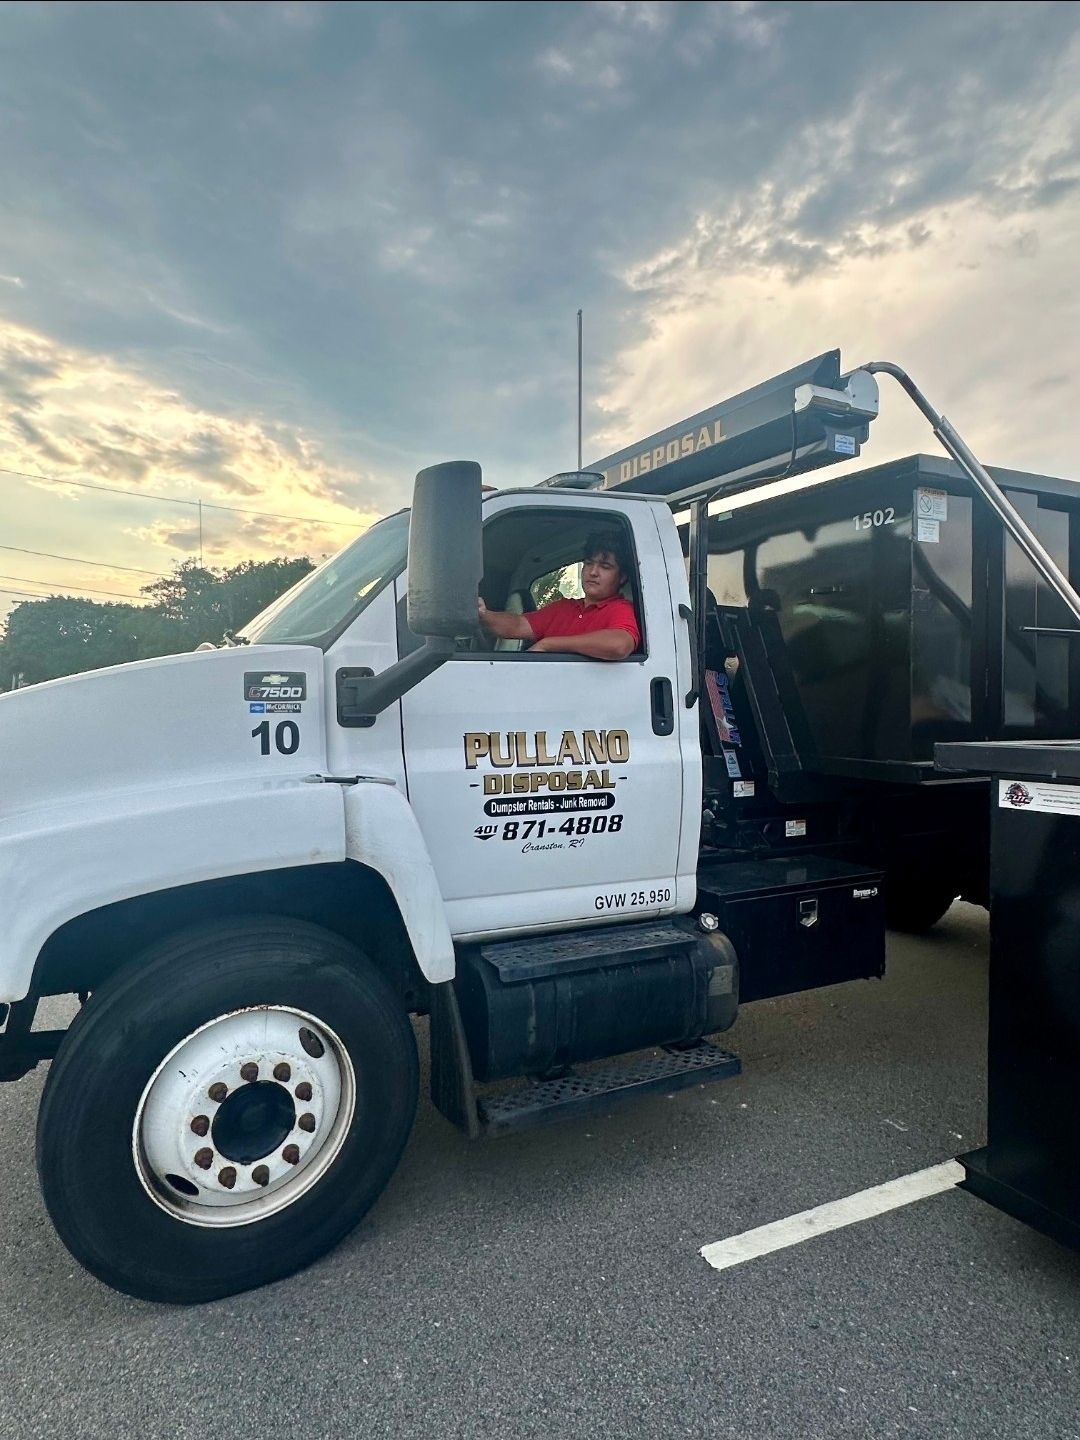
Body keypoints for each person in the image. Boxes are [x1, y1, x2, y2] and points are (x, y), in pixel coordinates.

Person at [478, 530, 640, 660]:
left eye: (605, 566)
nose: (593, 572)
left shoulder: (620, 608)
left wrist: (550, 644)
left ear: (622, 577)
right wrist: (484, 614)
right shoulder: (564, 608)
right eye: (589, 563)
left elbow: (619, 645)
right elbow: (518, 625)